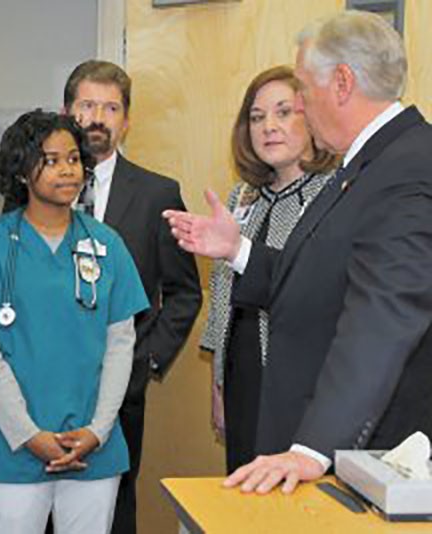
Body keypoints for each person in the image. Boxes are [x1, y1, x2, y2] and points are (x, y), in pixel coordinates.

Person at [164, 10, 432, 494]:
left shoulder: (407, 170)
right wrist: (239, 250)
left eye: (304, 92)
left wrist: (313, 448)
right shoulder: (367, 166)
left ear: (343, 83)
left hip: (366, 459)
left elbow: (383, 318)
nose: (302, 108)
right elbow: (319, 277)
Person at [0, 110, 149, 534]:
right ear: (22, 171)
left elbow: (120, 345)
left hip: (93, 448)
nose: (67, 170)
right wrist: (28, 434)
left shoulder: (106, 245)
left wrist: (97, 430)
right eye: (51, 160)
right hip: (14, 448)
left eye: (73, 159)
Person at [63, 60, 202, 534]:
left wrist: (148, 362)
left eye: (111, 107)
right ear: (68, 112)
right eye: (87, 105)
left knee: (115, 504)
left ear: (127, 120)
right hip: (42, 386)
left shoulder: (157, 194)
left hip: (121, 389)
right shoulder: (31, 190)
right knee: (39, 506)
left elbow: (185, 292)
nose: (98, 117)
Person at [200, 65, 336, 473]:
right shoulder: (243, 195)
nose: (268, 127)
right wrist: (219, 381)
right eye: (257, 117)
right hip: (242, 367)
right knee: (245, 486)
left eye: (283, 112)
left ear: (312, 117)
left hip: (304, 381)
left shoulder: (334, 194)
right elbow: (223, 289)